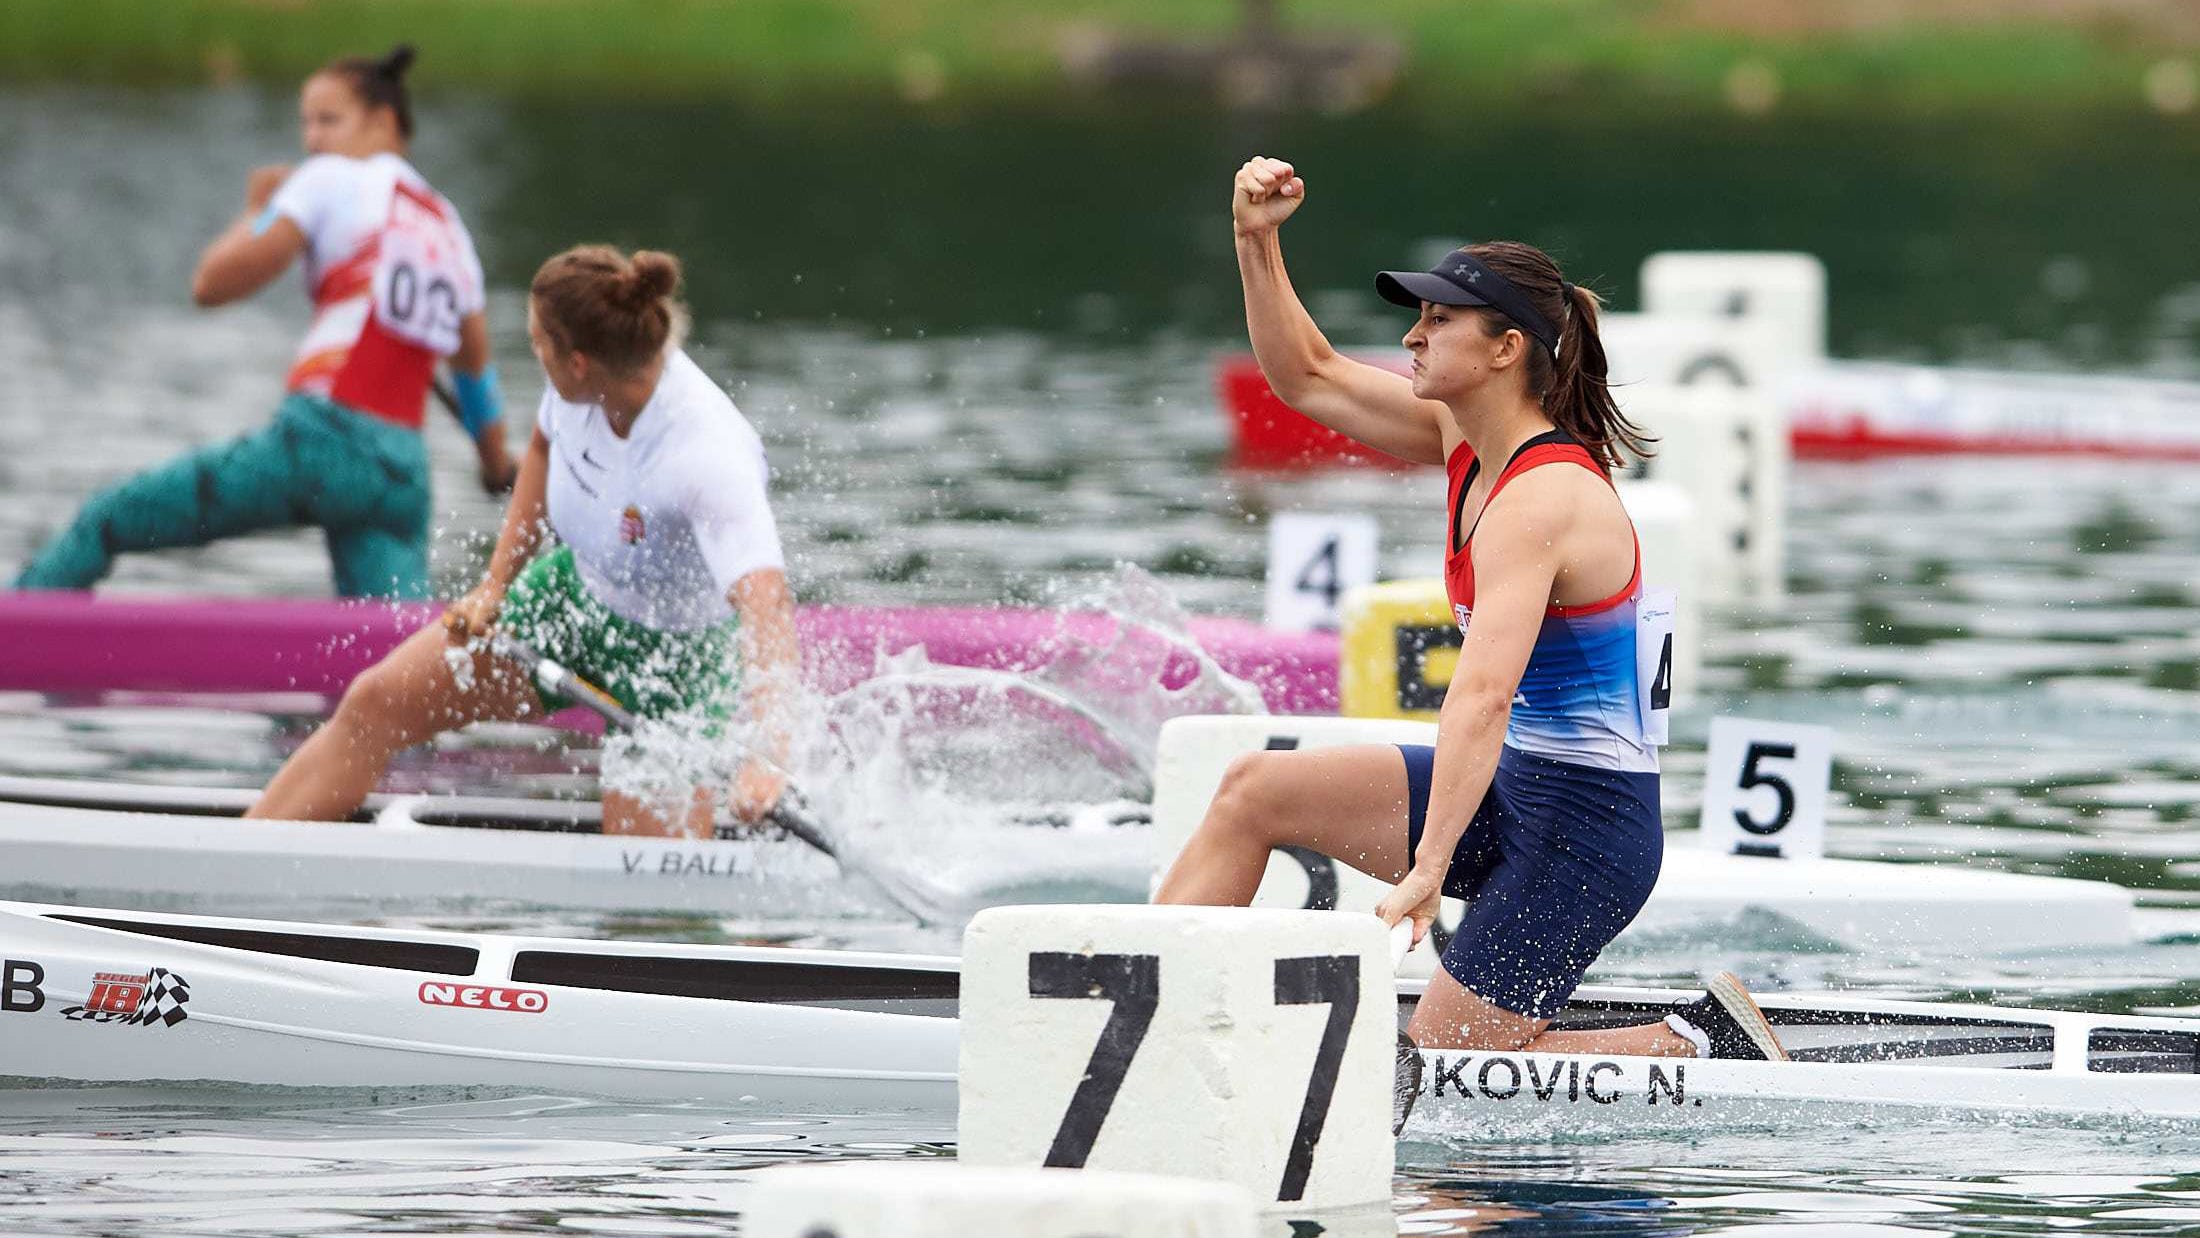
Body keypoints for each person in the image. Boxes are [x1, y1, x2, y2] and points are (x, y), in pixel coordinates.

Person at [1155, 156, 1790, 1071]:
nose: (1412, 338)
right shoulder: (1465, 439)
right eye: (1417, 318)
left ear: (1506, 349)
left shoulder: (1543, 500)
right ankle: (1140, 993)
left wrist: (1426, 869)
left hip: (1587, 831)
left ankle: (1696, 1045)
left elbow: (1482, 697)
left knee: (1443, 1064)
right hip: (1516, 785)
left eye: (1437, 320)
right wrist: (1257, 239)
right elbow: (1307, 376)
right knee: (1255, 791)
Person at [249, 244, 797, 837]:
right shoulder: (579, 387)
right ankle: (238, 857)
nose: (535, 354)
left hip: (675, 661)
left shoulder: (708, 453)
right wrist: (494, 586)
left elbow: (766, 604)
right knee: (374, 703)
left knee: (641, 893)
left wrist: (768, 757)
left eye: (539, 344)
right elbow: (540, 449)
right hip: (569, 597)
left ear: (580, 361)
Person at [15, 45, 514, 599]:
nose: (311, 140)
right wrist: (495, 463)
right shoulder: (449, 225)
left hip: (320, 444)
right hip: (399, 476)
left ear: (383, 121)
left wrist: (258, 211)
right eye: (306, 122)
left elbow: (212, 285)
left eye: (328, 120)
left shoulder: (329, 178)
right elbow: (474, 369)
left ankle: (18, 624)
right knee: (392, 661)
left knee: (107, 518)